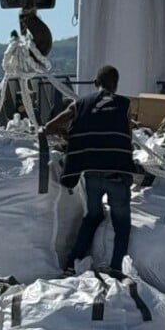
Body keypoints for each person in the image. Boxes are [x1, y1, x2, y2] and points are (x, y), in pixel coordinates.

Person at [44, 65, 139, 274]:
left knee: (93, 217)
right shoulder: (124, 104)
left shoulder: (80, 104)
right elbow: (126, 137)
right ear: (116, 84)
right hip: (117, 174)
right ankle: (116, 269)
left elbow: (49, 126)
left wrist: (68, 135)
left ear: (96, 83)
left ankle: (72, 263)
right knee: (121, 223)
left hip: (92, 174)